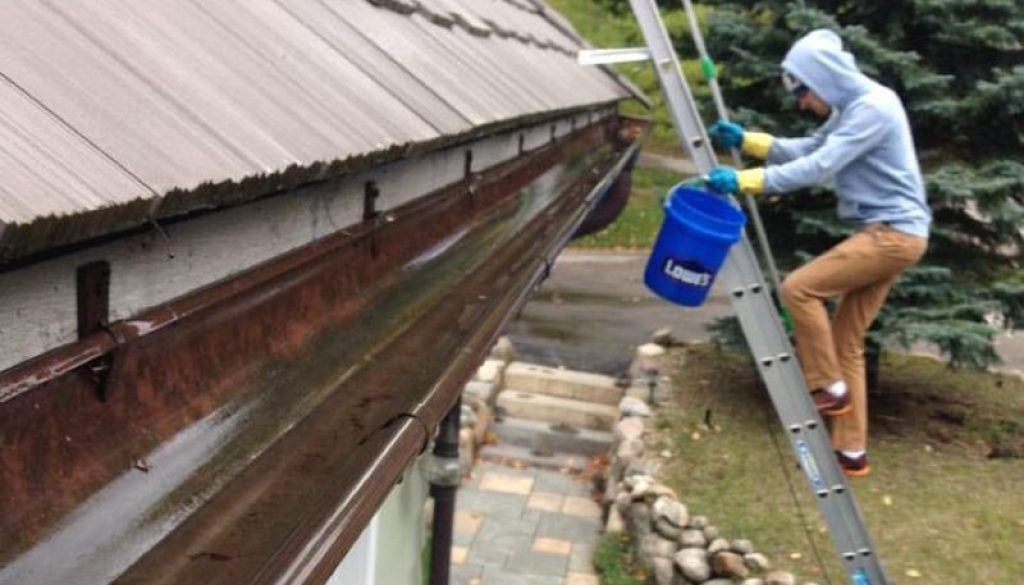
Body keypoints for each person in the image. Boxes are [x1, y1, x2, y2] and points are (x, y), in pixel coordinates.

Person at [705, 29, 931, 477]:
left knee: (799, 289)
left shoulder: (873, 109)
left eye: (805, 92)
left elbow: (818, 167)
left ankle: (825, 384)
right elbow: (807, 148)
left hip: (892, 236)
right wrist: (750, 141)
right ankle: (852, 451)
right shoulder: (852, 107)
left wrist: (747, 180)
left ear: (824, 79)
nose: (802, 104)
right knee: (848, 340)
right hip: (895, 234)